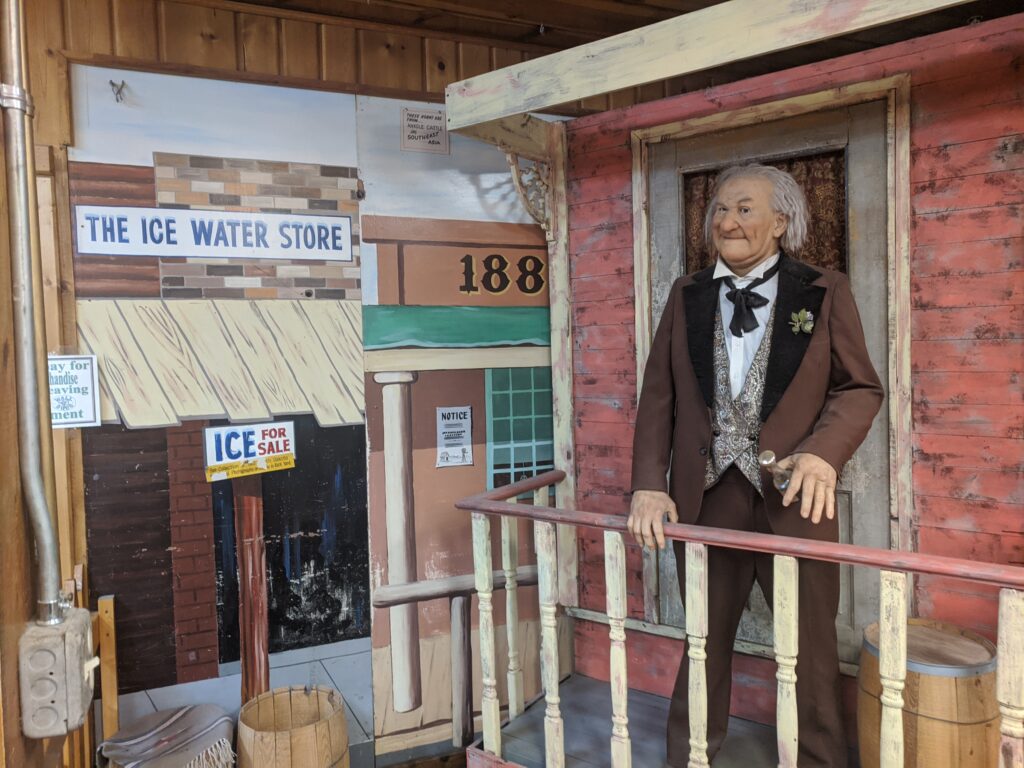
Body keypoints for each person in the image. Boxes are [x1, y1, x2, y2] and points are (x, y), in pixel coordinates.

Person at [628, 163, 883, 767]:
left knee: (811, 647)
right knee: (703, 640)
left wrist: (823, 453)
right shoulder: (685, 294)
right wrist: (648, 485)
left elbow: (859, 388)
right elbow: (658, 396)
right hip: (706, 497)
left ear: (781, 222)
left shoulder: (824, 290)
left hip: (792, 499)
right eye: (720, 209)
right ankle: (690, 757)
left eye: (745, 209)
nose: (727, 221)